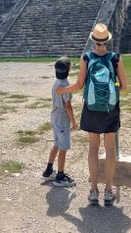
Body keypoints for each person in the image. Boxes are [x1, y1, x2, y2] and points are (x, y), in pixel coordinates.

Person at [56, 23, 127, 205]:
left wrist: (62, 91)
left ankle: (94, 191)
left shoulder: (86, 57)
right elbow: (124, 87)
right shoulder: (115, 58)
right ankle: (109, 191)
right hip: (110, 110)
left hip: (92, 109)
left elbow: (79, 85)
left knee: (93, 149)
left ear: (94, 40)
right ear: (107, 40)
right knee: (110, 149)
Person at [42, 56, 77, 187]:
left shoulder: (56, 81)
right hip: (62, 117)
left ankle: (48, 170)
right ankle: (60, 176)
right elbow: (68, 105)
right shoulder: (65, 84)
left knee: (57, 143)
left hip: (55, 115)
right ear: (67, 70)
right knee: (63, 147)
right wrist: (73, 121)